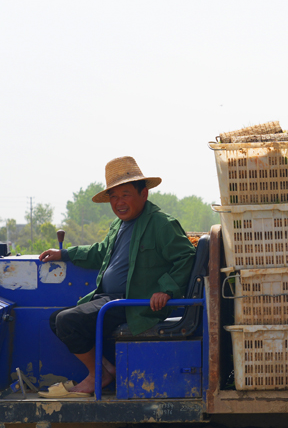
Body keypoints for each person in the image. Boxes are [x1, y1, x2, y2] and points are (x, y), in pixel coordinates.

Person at [38, 156, 196, 397]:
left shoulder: (161, 224)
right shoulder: (118, 225)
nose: (118, 202)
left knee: (67, 321)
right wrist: (65, 253)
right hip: (109, 298)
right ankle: (106, 369)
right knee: (56, 319)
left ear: (144, 194)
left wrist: (166, 290)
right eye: (113, 197)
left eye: (125, 194)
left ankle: (96, 376)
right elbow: (100, 251)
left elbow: (186, 257)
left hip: (131, 302)